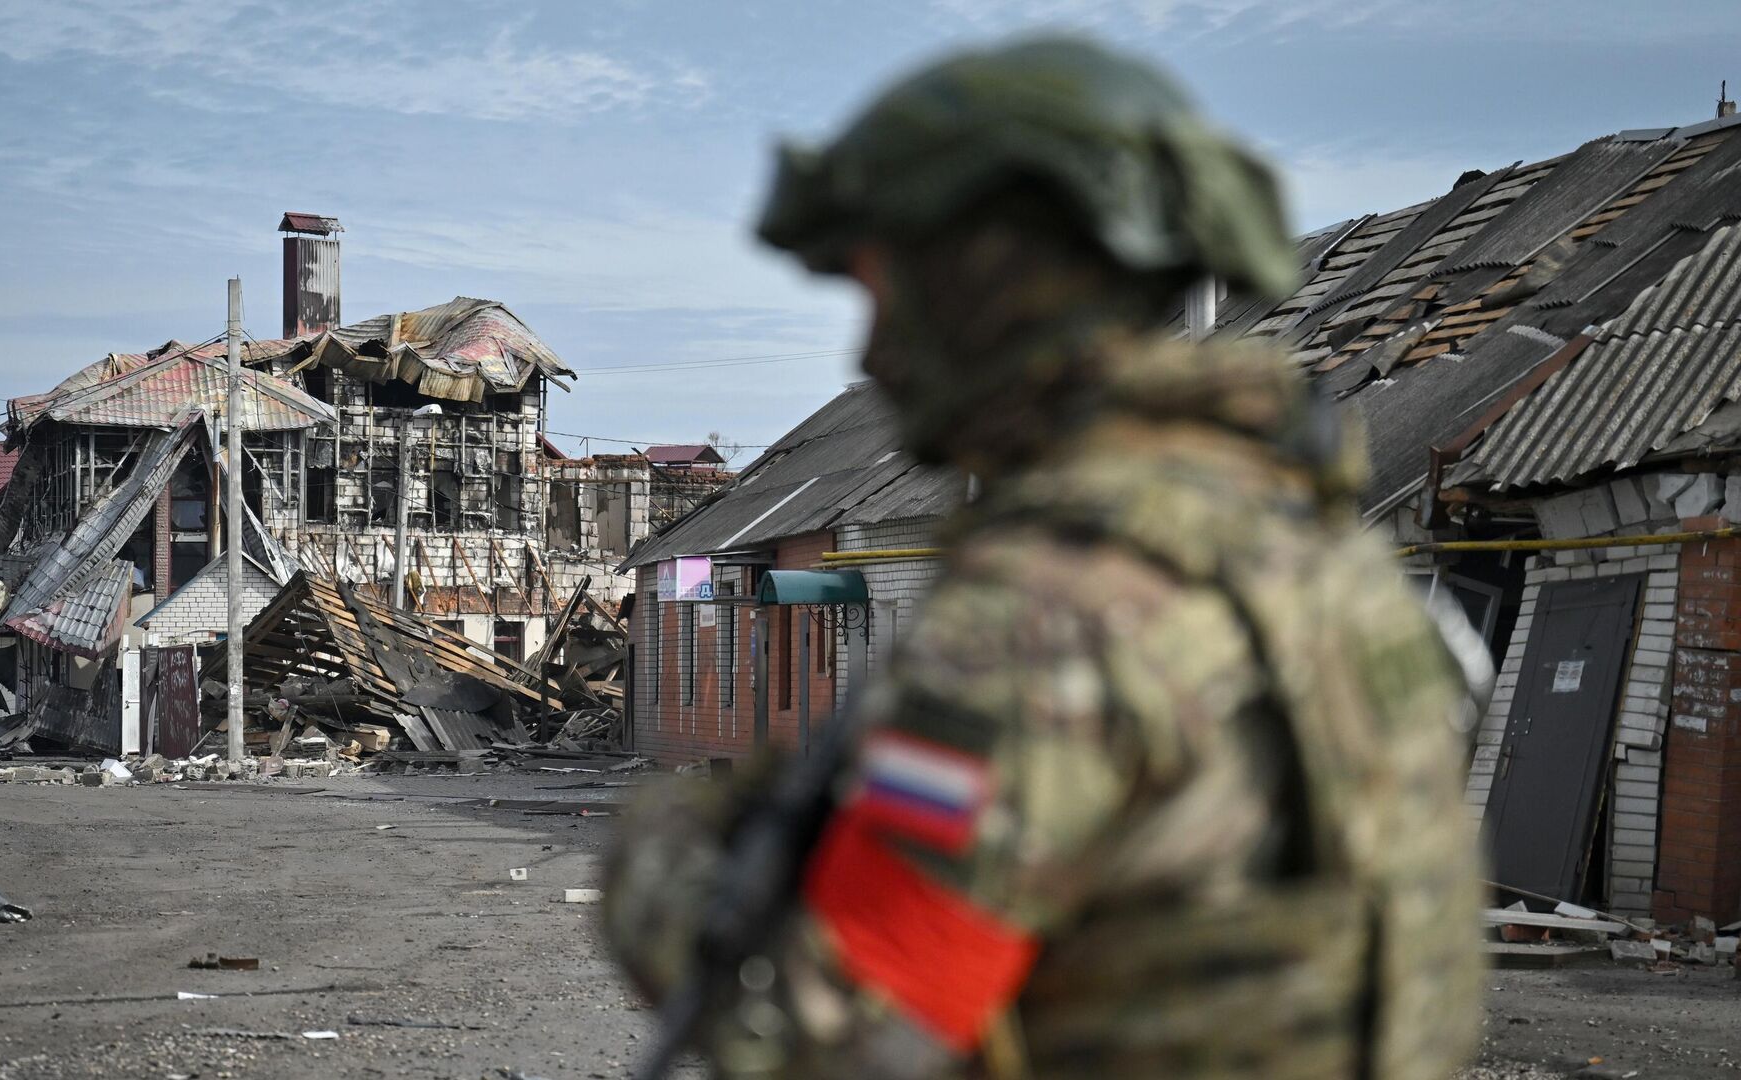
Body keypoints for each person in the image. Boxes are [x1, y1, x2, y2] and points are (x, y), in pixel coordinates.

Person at [604, 36, 1486, 1080]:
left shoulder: (1047, 612)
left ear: (992, 284)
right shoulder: (1320, 551)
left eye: (892, 293)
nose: (870, 355)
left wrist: (658, 852)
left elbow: (829, 1037)